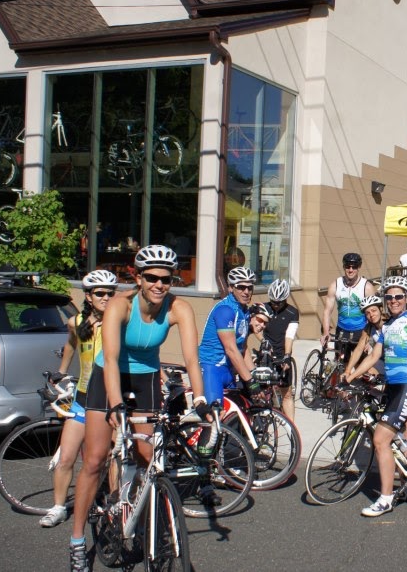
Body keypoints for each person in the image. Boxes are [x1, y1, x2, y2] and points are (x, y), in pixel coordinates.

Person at [68, 245, 211, 572]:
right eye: (152, 278)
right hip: (110, 376)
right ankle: (77, 541)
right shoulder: (120, 306)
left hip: (145, 380)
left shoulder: (180, 308)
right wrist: (117, 406)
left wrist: (200, 400)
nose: (160, 284)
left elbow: (192, 359)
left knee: (148, 460)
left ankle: (145, 525)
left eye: (167, 279)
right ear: (138, 277)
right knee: (94, 460)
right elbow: (114, 359)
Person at [343, 275, 407, 517]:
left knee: (380, 440)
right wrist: (350, 375)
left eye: (398, 296)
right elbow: (372, 357)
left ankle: (386, 498)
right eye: (389, 297)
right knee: (398, 440)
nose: (393, 301)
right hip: (393, 388)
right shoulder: (386, 327)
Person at [39, 270, 119, 529]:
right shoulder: (76, 322)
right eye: (100, 293)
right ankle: (59, 507)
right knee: (66, 457)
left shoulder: (120, 322)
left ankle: (115, 504)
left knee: (112, 456)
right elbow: (71, 345)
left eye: (110, 293)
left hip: (109, 399)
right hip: (83, 398)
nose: (106, 298)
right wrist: (62, 371)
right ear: (88, 296)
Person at [198, 267, 258, 407]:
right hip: (213, 368)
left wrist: (254, 374)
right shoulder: (225, 310)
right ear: (231, 288)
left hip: (229, 370)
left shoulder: (244, 311)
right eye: (241, 287)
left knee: (237, 416)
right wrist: (250, 381)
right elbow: (231, 349)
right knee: (215, 418)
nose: (246, 292)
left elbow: (242, 347)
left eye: (250, 287)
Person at [319, 252, 376, 363]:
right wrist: (326, 333)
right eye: (347, 266)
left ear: (359, 267)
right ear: (344, 267)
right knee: (339, 365)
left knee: (359, 367)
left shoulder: (367, 287)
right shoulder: (335, 285)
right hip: (341, 331)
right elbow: (327, 311)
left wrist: (370, 339)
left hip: (361, 332)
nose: (350, 270)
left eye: (354, 267)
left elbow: (374, 315)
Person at [260, 279, 299, 421]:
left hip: (282, 352)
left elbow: (290, 335)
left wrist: (287, 355)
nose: (275, 305)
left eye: (279, 302)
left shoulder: (292, 312)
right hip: (266, 351)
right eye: (273, 302)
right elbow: (257, 328)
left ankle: (292, 429)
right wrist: (264, 343)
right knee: (260, 389)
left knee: (287, 393)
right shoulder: (264, 308)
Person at [344, 295, 386, 380]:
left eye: (374, 310)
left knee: (368, 373)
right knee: (364, 375)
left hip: (394, 362)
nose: (371, 315)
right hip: (379, 360)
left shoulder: (390, 325)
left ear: (381, 309)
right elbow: (359, 349)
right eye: (367, 313)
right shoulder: (369, 327)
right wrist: (347, 371)